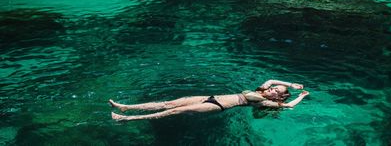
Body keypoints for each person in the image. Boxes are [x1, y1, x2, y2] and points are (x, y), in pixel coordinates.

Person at [110, 79, 309, 121]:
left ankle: (126, 119)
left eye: (277, 90)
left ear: (278, 96)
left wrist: (299, 96)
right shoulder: (262, 89)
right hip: (209, 97)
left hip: (218, 105)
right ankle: (126, 107)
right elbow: (271, 79)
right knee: (168, 103)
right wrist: (291, 84)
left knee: (171, 112)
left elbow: (288, 106)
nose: (273, 88)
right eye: (274, 88)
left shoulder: (264, 102)